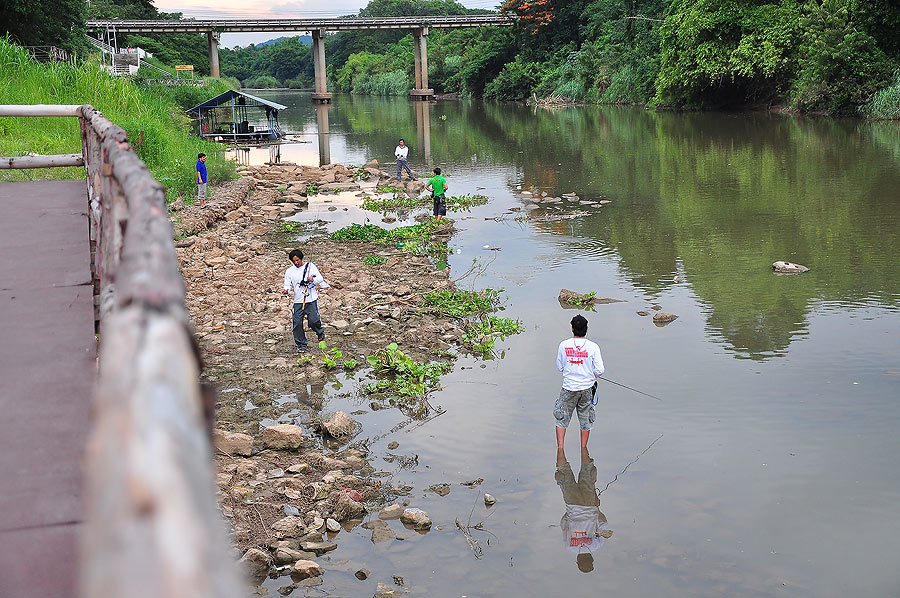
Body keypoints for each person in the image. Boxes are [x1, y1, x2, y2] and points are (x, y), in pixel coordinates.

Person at [556, 445, 609, 573]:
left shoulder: (597, 545)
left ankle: (583, 443)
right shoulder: (569, 546)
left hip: (589, 504)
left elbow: (602, 524)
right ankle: (560, 446)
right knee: (564, 474)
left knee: (587, 472)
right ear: (578, 560)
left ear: (591, 559)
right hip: (572, 505)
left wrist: (597, 509)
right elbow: (564, 524)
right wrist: (570, 511)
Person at [555, 314, 605, 448]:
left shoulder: (563, 345)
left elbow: (559, 366)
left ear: (572, 329)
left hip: (568, 388)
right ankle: (584, 449)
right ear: (587, 328)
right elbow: (600, 370)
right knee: (585, 419)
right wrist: (592, 376)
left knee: (561, 418)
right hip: (587, 389)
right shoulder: (594, 347)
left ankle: (560, 449)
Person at [282, 249, 326, 352]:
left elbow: (320, 278)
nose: (296, 263)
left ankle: (320, 331)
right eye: (294, 261)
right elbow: (287, 285)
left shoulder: (310, 266)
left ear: (301, 258)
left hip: (310, 299)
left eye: (297, 260)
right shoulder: (289, 271)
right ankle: (301, 345)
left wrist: (312, 280)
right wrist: (286, 291)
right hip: (298, 301)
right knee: (297, 323)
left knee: (313, 321)